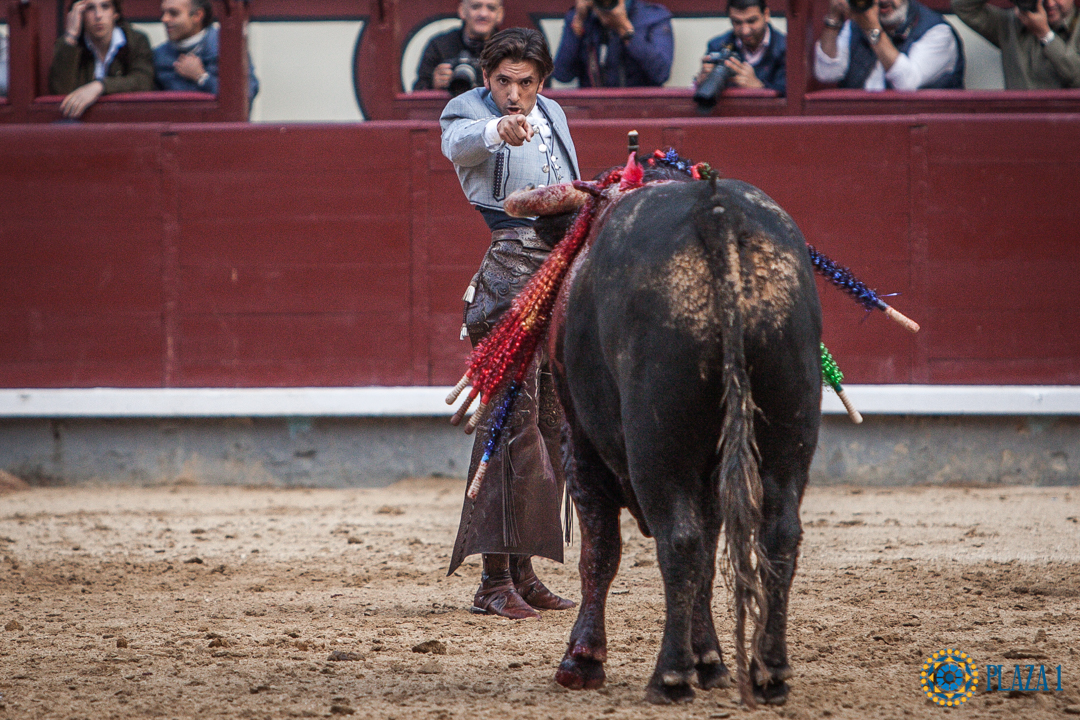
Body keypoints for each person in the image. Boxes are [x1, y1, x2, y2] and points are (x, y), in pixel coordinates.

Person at [441, 27, 580, 620]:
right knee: (509, 421)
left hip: (556, 271)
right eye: (504, 82)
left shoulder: (553, 111)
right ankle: (491, 581)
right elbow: (459, 144)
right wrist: (497, 128)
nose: (515, 94)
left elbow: (569, 189)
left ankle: (522, 572)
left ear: (542, 81)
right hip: (506, 280)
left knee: (548, 425)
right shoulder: (468, 110)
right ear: (486, 79)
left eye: (526, 82)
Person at [814, 0, 965, 89]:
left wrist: (872, 28)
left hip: (919, 132)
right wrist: (833, 20)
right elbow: (826, 73)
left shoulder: (938, 32)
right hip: (859, 126)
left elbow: (907, 83)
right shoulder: (856, 24)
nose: (883, 1)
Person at [47, 0, 154, 119]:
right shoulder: (70, 45)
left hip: (127, 120)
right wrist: (71, 36)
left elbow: (144, 82)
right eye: (90, 8)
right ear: (80, 14)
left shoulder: (135, 40)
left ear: (115, 13)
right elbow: (60, 92)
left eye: (105, 6)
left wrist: (100, 86)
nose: (98, 15)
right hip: (84, 123)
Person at [952, 0, 1080, 88]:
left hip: (1066, 123)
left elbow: (1077, 77)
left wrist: (1045, 35)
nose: (1050, 3)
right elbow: (963, 7)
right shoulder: (1009, 24)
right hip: (1019, 121)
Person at [153, 0, 259, 100]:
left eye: (173, 13)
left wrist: (201, 77)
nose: (164, 19)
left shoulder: (227, 47)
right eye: (163, 13)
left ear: (197, 15)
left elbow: (247, 94)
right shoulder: (159, 55)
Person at [552, 0, 674, 87]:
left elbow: (661, 73)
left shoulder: (653, 17)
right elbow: (562, 75)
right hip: (594, 112)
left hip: (642, 111)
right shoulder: (582, 19)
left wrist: (625, 29)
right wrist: (578, 21)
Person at [695, 0, 787, 94]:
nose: (745, 31)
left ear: (766, 15)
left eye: (751, 21)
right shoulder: (716, 46)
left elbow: (791, 95)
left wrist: (760, 87)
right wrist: (702, 83)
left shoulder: (787, 49)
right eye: (737, 22)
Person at [413, 0, 504, 92]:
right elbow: (417, 94)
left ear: (500, 14)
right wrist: (432, 84)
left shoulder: (508, 48)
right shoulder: (439, 46)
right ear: (462, 10)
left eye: (491, 8)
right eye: (475, 7)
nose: (483, 14)